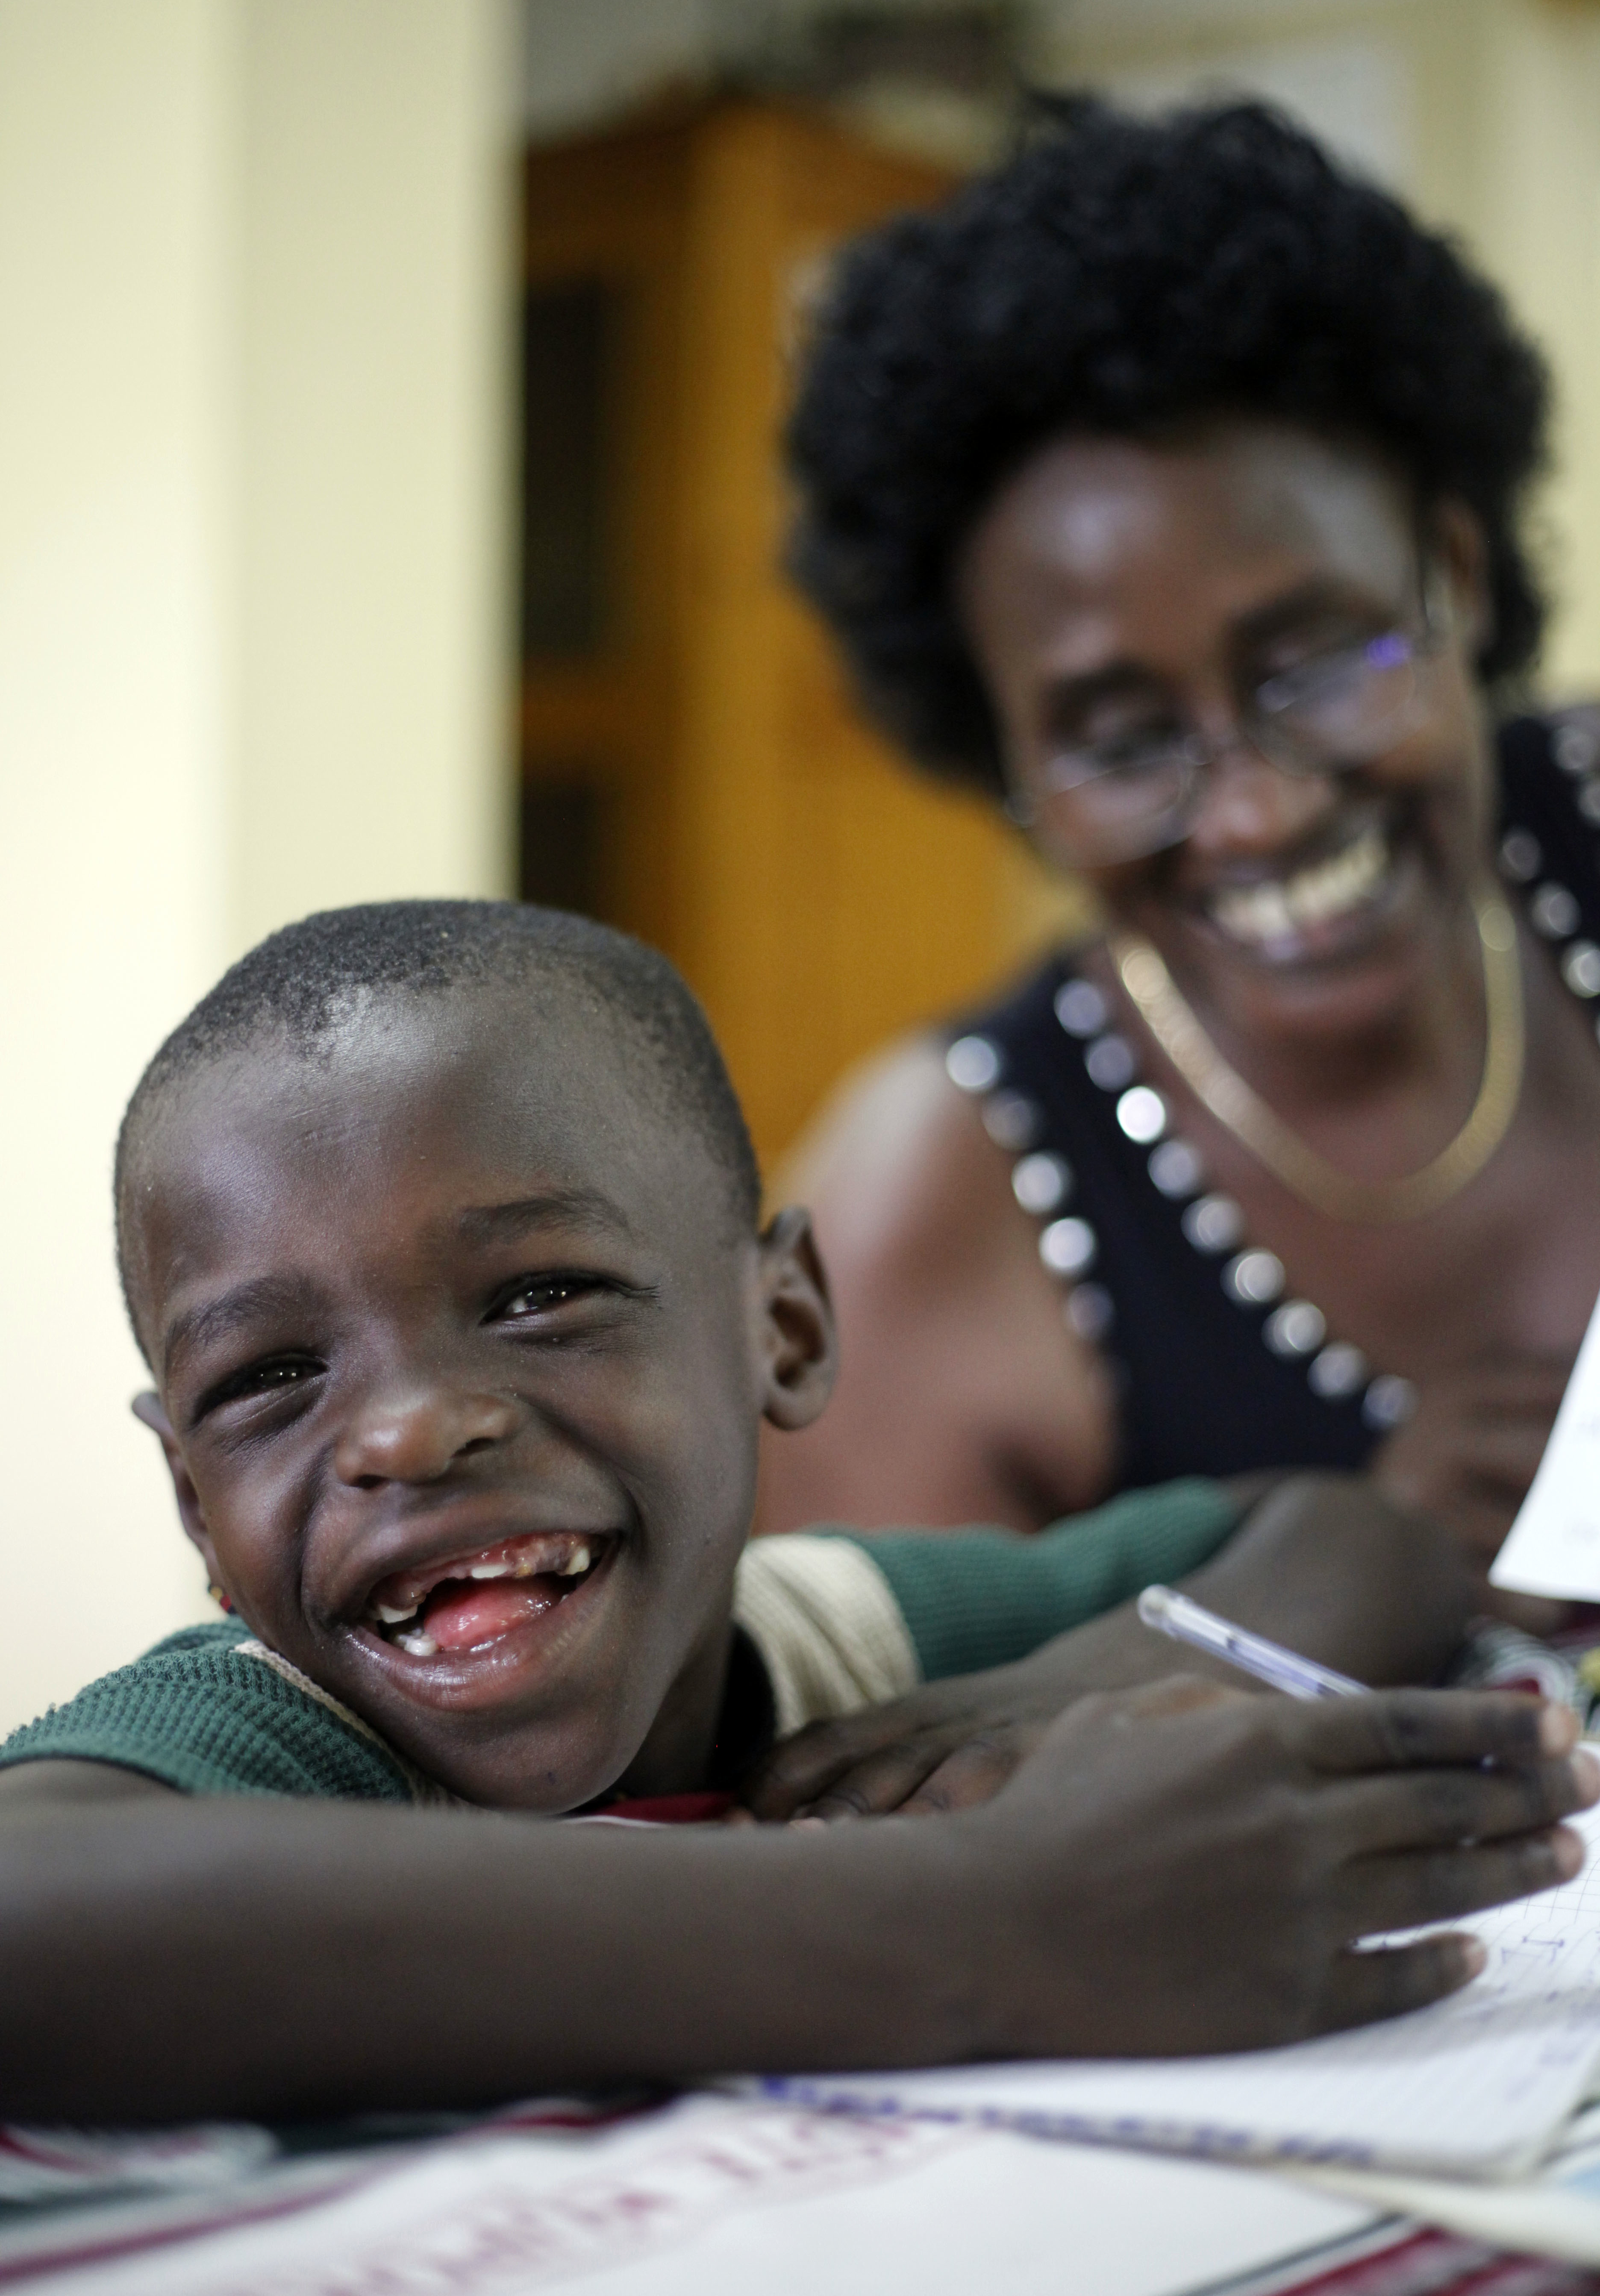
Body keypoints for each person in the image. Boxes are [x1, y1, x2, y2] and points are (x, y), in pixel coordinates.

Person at [1, 898, 1588, 2125]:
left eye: (542, 1293)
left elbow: (1343, 1532)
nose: (409, 1430)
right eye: (270, 1379)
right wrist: (987, 1923)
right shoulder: (272, 1734)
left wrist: (1090, 1681)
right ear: (194, 1505)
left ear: (788, 1327)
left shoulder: (839, 1640)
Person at [761, 95, 1600, 1574]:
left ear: (1454, 577)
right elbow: (887, 1790)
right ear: (1003, 749)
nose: (1260, 807)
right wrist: (1310, 1597)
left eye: (1320, 660)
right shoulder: (936, 1212)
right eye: (1122, 738)